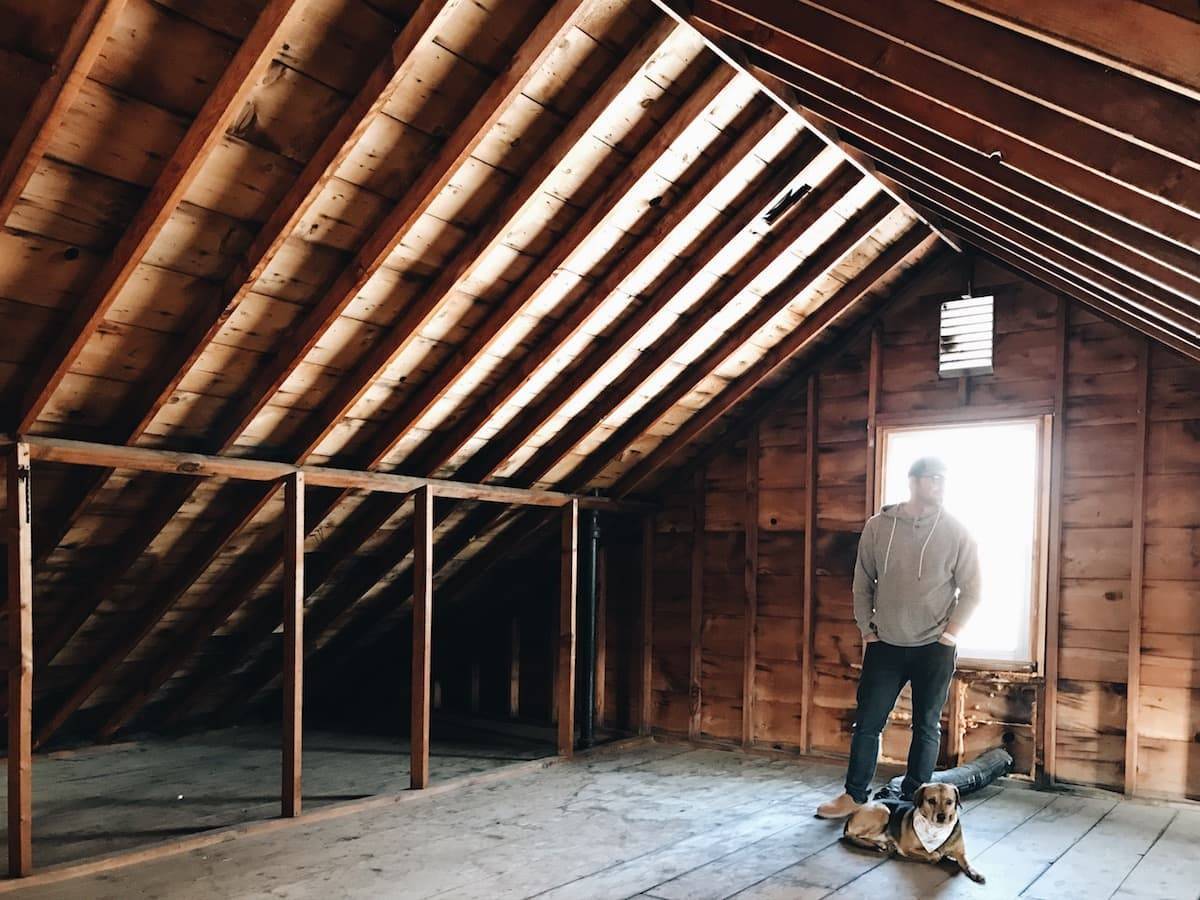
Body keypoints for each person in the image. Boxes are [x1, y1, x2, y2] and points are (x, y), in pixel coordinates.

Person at [816, 456, 981, 819]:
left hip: (934, 647)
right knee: (868, 723)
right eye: (934, 478)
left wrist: (949, 635)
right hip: (885, 645)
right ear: (914, 480)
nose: (940, 485)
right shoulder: (879, 527)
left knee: (926, 726)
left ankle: (915, 803)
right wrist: (867, 630)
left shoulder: (956, 531)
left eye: (944, 479)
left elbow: (972, 591)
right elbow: (862, 582)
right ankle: (855, 795)